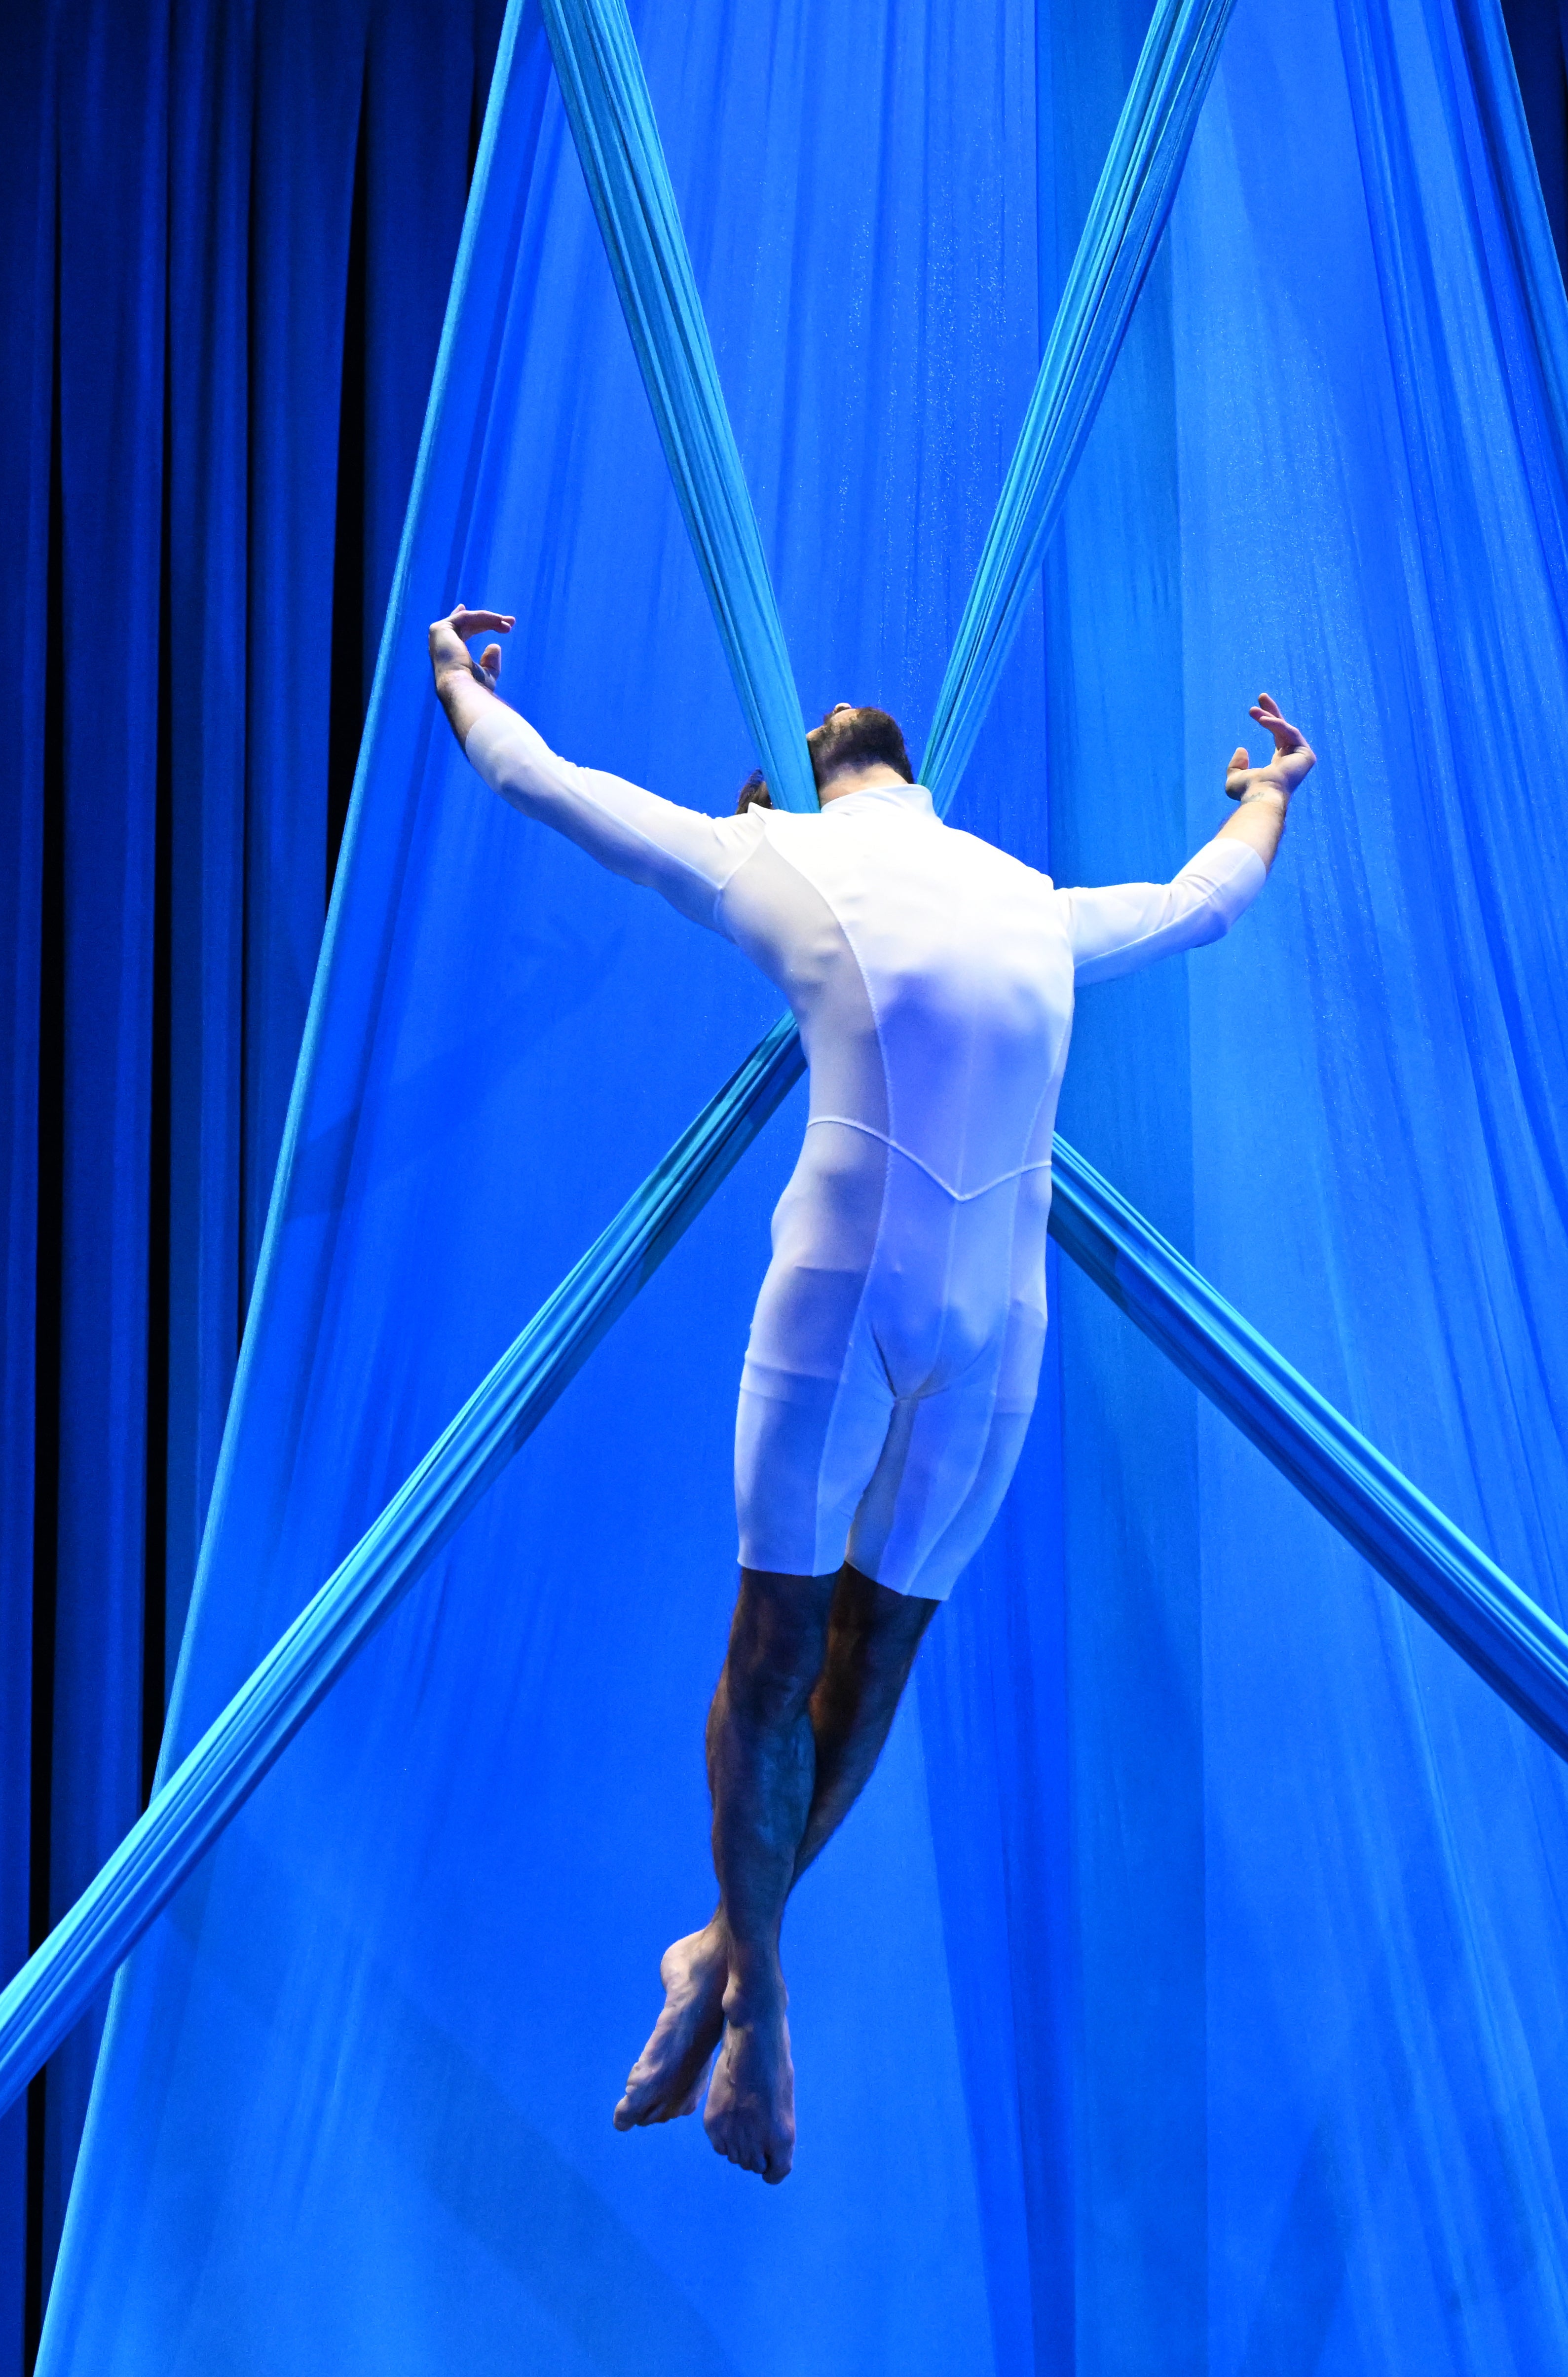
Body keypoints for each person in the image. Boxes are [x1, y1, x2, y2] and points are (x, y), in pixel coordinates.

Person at [425, 602, 1307, 2183]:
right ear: (785, 791)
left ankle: (724, 1958)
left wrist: (1267, 797)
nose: (834, 704)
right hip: (895, 1307)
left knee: (857, 1665)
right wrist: (461, 694)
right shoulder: (792, 861)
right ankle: (761, 2007)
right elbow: (553, 790)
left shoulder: (1008, 891)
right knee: (788, 1661)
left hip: (956, 1327)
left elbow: (1202, 900)